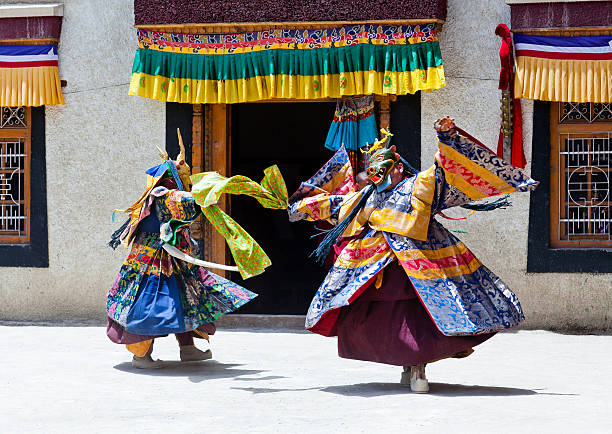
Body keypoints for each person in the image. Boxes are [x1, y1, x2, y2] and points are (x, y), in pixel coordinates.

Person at [287, 117, 538, 392]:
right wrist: (299, 208)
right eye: (374, 171)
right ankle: (408, 366)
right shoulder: (364, 197)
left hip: (420, 265)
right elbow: (332, 204)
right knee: (391, 319)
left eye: (385, 169)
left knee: (420, 317)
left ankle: (419, 369)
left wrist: (447, 137)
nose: (379, 176)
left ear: (396, 168)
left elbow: (443, 170)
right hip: (377, 266)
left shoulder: (417, 186)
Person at [107, 135, 260, 369]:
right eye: (183, 176)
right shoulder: (162, 194)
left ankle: (188, 349)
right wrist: (215, 188)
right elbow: (186, 201)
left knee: (188, 299)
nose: (187, 180)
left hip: (175, 260)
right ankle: (141, 356)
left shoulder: (164, 194)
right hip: (153, 262)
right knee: (153, 304)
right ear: (171, 178)